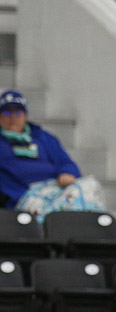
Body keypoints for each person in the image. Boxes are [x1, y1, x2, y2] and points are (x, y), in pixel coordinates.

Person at [0, 89, 106, 222]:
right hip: (23, 197)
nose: (13, 117)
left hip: (54, 189)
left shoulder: (42, 137)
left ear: (25, 115)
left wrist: (66, 173)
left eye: (18, 111)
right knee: (66, 207)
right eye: (7, 112)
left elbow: (66, 163)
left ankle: (90, 233)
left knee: (89, 185)